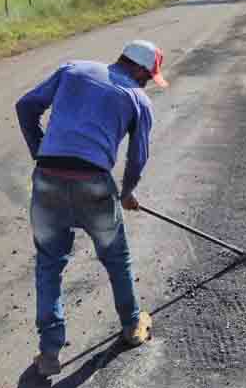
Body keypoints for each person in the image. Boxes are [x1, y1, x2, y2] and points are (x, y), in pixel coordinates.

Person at [16, 40, 168, 377]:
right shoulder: (137, 98)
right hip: (94, 185)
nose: (147, 84)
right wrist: (126, 192)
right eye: (149, 76)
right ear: (142, 70)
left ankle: (49, 352)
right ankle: (131, 325)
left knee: (49, 265)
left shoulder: (73, 69)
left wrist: (41, 154)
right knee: (116, 258)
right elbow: (137, 158)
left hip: (47, 180)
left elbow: (25, 106)